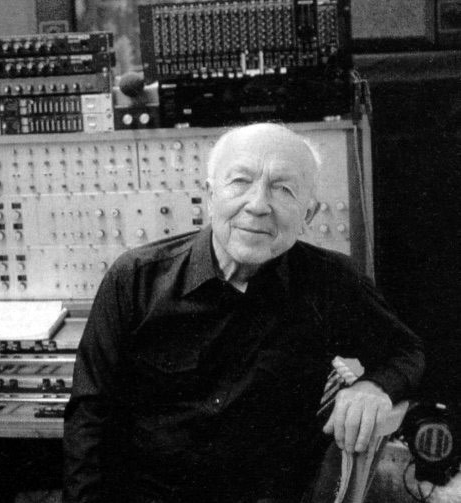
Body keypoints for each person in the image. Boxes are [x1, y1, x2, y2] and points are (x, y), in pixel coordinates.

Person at [63, 123, 424, 503]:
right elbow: (89, 415)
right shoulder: (135, 278)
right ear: (210, 196)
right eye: (240, 182)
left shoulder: (332, 282)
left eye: (283, 189)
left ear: (309, 213)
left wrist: (374, 387)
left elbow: (407, 352)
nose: (258, 205)